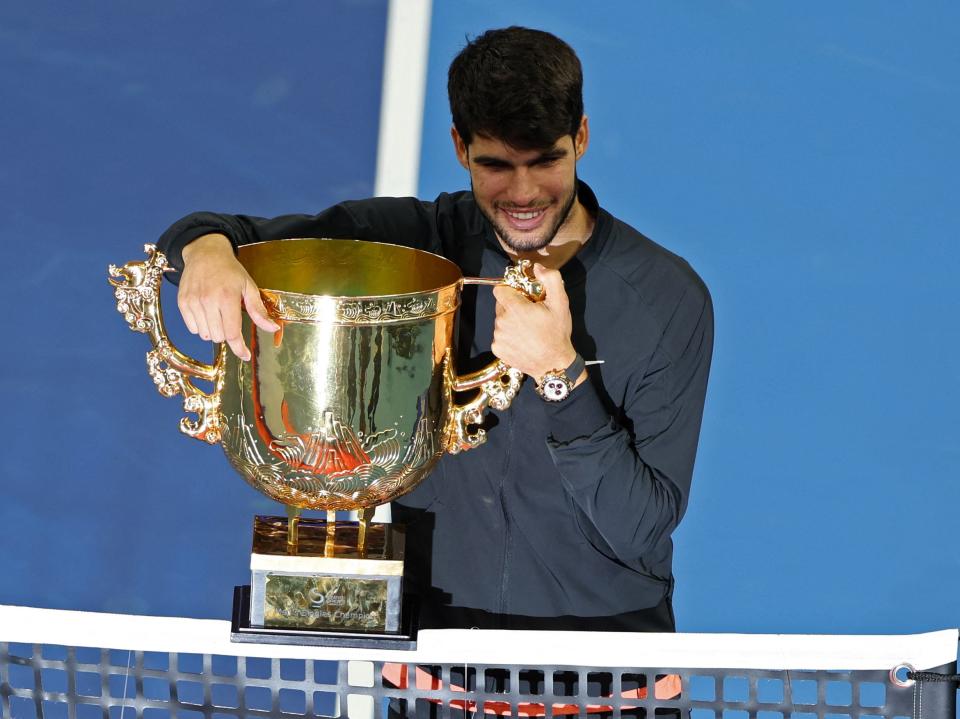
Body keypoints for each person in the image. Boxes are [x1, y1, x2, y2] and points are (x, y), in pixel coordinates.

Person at [157, 26, 713, 632]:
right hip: (435, 677)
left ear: (579, 136)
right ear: (459, 147)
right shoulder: (411, 246)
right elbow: (213, 231)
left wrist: (562, 375)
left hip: (601, 678)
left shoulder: (664, 296)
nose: (523, 194)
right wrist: (206, 254)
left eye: (546, 161)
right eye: (495, 165)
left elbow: (641, 525)